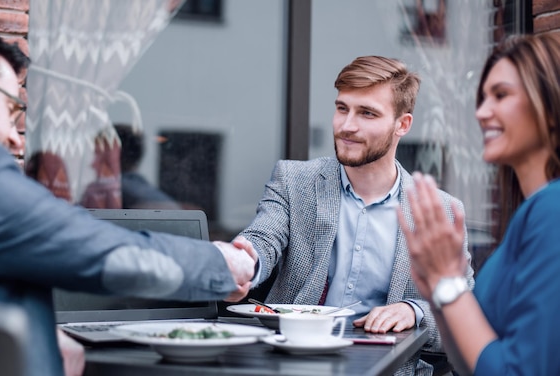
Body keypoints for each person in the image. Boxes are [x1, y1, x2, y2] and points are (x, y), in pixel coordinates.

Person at [0, 9, 256, 376]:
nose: (13, 134)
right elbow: (113, 258)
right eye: (10, 109)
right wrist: (219, 265)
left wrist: (39, 331)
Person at [237, 55, 474, 375]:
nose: (347, 125)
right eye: (342, 108)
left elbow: (465, 312)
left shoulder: (443, 211)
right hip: (291, 365)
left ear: (402, 125)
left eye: (367, 113)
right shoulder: (294, 181)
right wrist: (240, 261)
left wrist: (414, 310)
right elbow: (263, 239)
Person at [399, 33, 560, 375]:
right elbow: (470, 361)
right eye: (482, 98)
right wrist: (440, 292)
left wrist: (448, 283)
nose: (482, 112)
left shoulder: (553, 210)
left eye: (501, 95)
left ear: (549, 106)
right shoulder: (531, 214)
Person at [114, 123, 182, 209]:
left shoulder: (110, 193)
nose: (93, 162)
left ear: (115, 155)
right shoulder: (167, 201)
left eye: (98, 154)